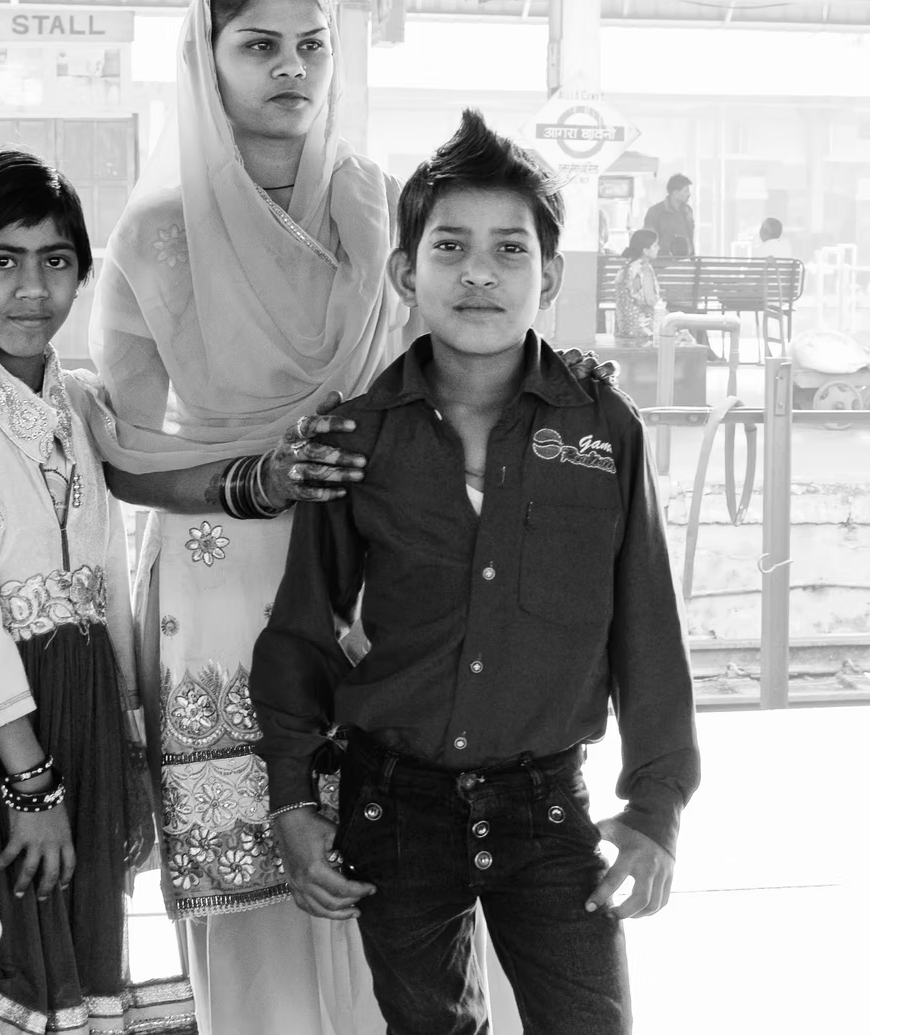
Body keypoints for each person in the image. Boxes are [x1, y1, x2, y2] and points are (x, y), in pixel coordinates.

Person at [250, 108, 701, 1035]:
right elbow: (301, 631)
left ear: (552, 275)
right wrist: (293, 801)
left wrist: (656, 811)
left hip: (548, 812)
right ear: (406, 273)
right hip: (395, 809)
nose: (481, 274)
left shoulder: (601, 432)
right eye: (450, 247)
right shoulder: (355, 439)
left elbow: (649, 632)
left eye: (511, 249)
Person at [86, 0, 408, 1035]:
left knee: (398, 881)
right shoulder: (156, 233)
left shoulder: (380, 212)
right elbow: (126, 451)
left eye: (312, 46)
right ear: (206, 60)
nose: (292, 70)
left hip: (378, 579)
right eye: (259, 45)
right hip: (223, 580)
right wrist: (250, 479)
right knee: (254, 898)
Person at [0, 149, 193, 1034]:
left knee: (92, 946)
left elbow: (113, 586)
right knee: (11, 945)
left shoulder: (85, 405)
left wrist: (132, 743)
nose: (33, 287)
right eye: (2, 260)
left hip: (95, 707)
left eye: (56, 261)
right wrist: (32, 787)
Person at [613, 228, 661, 347]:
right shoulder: (644, 269)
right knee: (679, 328)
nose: (659, 248)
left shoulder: (625, 268)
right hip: (642, 328)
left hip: (623, 328)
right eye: (655, 245)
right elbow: (650, 301)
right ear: (645, 250)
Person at [643, 173, 694, 260]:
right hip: (663, 265)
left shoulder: (687, 211)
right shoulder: (655, 212)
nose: (689, 194)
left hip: (686, 264)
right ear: (675, 192)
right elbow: (648, 241)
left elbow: (690, 238)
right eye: (686, 191)